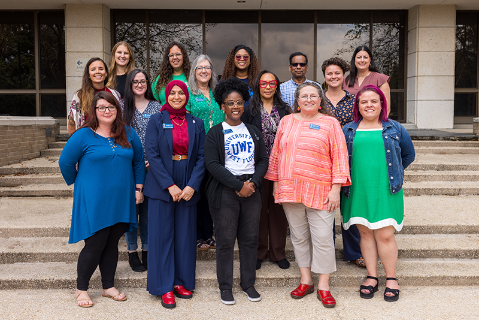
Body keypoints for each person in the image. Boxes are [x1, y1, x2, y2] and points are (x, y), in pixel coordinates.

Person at [265, 82, 350, 308]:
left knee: (323, 238)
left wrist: (336, 188)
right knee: (299, 237)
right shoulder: (286, 121)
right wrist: (275, 183)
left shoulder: (330, 123)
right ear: (297, 100)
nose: (309, 99)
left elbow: (340, 156)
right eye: (304, 96)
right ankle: (306, 280)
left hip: (321, 191)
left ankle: (324, 286)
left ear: (320, 101)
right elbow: (276, 154)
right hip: (290, 189)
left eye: (314, 96)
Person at [58, 91, 146, 308]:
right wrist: (79, 184)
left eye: (111, 107)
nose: (107, 111)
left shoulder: (128, 133)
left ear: (118, 110)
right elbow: (65, 163)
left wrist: (138, 189)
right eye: (102, 108)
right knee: (95, 243)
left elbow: (138, 161)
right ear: (94, 111)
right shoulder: (83, 135)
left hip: (121, 198)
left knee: (112, 242)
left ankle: (108, 286)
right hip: (94, 199)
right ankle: (81, 289)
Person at [341, 85, 415, 302]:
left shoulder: (395, 128)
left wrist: (392, 174)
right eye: (364, 102)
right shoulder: (348, 130)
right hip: (357, 190)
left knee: (384, 234)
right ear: (358, 106)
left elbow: (408, 155)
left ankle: (391, 277)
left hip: (385, 190)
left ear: (382, 104)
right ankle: (372, 276)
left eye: (374, 101)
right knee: (365, 233)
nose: (369, 105)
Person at [205, 77, 269, 305]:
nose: (235, 107)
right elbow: (212, 165)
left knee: (250, 239)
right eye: (230, 103)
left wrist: (252, 183)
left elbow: (263, 159)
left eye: (239, 102)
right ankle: (225, 287)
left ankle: (248, 284)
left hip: (252, 190)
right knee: (225, 241)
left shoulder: (253, 130)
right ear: (222, 106)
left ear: (244, 104)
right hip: (225, 192)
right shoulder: (215, 133)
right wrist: (238, 185)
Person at [144, 80, 206, 309]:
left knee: (185, 236)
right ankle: (164, 287)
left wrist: (192, 185)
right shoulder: (156, 120)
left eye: (181, 93)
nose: (177, 96)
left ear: (186, 96)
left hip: (188, 181)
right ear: (166, 96)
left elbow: (202, 156)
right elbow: (152, 153)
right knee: (162, 236)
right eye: (173, 93)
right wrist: (169, 185)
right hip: (163, 183)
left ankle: (181, 281)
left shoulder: (196, 122)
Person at [240, 70, 291, 270]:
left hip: (281, 168)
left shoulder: (286, 110)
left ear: (276, 86)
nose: (268, 87)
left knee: (279, 211)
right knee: (258, 211)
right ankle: (259, 252)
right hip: (257, 168)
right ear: (258, 86)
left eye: (272, 83)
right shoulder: (248, 110)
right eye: (264, 83)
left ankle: (278, 253)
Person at [321, 57, 364, 268]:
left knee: (349, 206)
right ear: (324, 76)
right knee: (325, 207)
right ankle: (325, 251)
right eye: (329, 73)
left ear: (343, 75)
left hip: (350, 158)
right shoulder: (319, 100)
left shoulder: (354, 99)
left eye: (337, 73)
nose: (333, 76)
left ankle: (354, 252)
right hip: (322, 160)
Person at [122, 69, 161, 272]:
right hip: (128, 168)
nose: (139, 84)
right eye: (135, 81)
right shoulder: (122, 107)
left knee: (147, 213)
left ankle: (147, 249)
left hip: (152, 168)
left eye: (143, 81)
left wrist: (152, 161)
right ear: (130, 84)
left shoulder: (157, 107)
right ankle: (132, 252)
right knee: (132, 212)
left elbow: (163, 137)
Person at [186, 54, 224, 251]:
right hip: (197, 150)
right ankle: (198, 235)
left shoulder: (218, 93)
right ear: (194, 71)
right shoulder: (189, 95)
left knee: (212, 193)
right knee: (198, 192)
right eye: (199, 68)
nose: (204, 71)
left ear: (212, 71)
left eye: (207, 67)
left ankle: (209, 234)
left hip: (217, 150)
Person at [68, 57, 122, 136]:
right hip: (86, 140)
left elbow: (120, 118)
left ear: (106, 73)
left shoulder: (115, 94)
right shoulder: (79, 96)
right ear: (89, 75)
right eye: (93, 69)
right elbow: (72, 121)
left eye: (101, 69)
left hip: (110, 138)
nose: (97, 72)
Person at [343, 45, 391, 115]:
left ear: (370, 59)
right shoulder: (345, 80)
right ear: (354, 60)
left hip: (372, 123)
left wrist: (379, 125)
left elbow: (386, 109)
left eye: (365, 57)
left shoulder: (381, 79)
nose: (362, 60)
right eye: (359, 57)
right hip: (349, 124)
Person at [151, 41, 191, 105]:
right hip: (164, 114)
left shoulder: (191, 77)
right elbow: (154, 104)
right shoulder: (160, 78)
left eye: (178, 54)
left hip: (186, 114)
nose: (175, 57)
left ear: (184, 56)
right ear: (168, 58)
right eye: (171, 55)